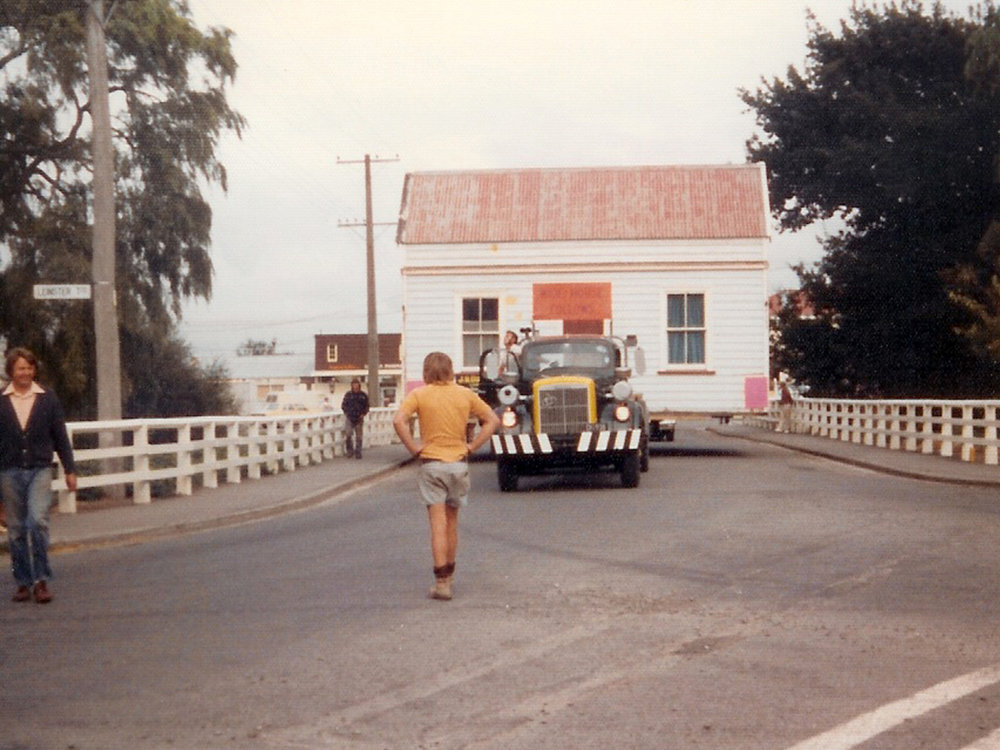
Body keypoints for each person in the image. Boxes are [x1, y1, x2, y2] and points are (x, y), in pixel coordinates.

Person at [393, 352, 500, 601]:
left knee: (437, 524)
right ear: (451, 370)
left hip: (432, 464)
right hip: (458, 464)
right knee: (452, 522)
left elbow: (399, 420)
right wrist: (472, 447)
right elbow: (492, 420)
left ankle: (441, 583)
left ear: (426, 372)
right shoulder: (465, 394)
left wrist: (414, 448)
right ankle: (450, 576)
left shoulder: (419, 395)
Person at [0, 348, 77, 604]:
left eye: (29, 368)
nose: (26, 373)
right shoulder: (1, 400)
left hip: (39, 469)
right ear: (11, 371)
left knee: (37, 521)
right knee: (16, 530)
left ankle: (42, 580)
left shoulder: (47, 399)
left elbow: (60, 436)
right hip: (9, 471)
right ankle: (23, 582)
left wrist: (70, 469)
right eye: (21, 368)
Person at [340, 378, 370, 459]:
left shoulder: (363, 395)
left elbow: (367, 406)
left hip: (359, 418)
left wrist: (363, 414)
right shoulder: (348, 395)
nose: (355, 386)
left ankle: (358, 452)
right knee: (348, 434)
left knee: (359, 436)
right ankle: (350, 451)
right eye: (354, 384)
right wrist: (346, 413)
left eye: (356, 384)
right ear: (352, 385)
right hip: (350, 417)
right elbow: (343, 405)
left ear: (359, 385)